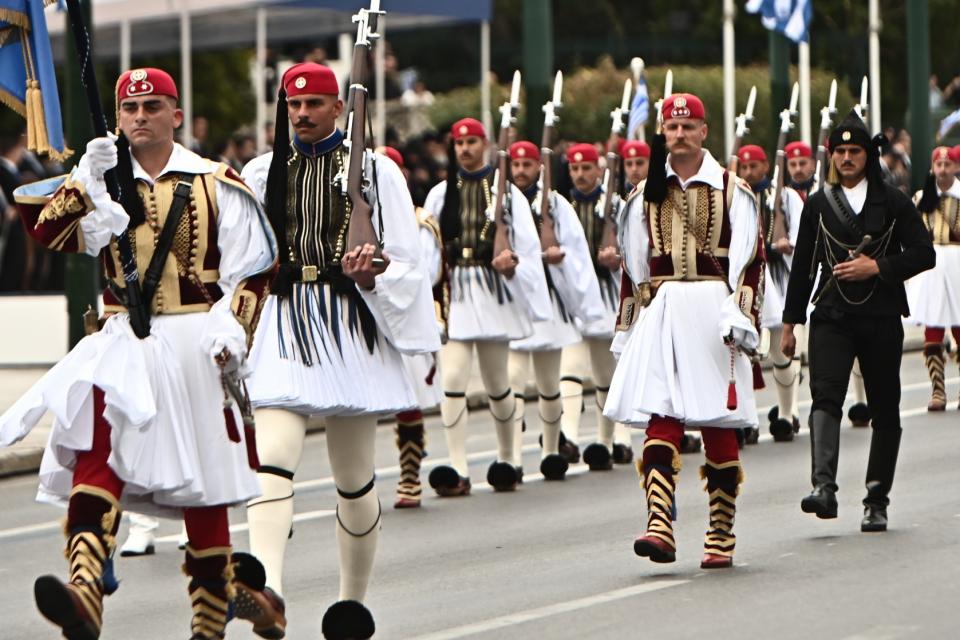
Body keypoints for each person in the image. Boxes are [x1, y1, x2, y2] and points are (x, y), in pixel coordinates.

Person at [0, 67, 281, 639]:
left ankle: (216, 615)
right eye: (129, 109)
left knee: (203, 484)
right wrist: (82, 180)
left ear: (176, 114)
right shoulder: (102, 181)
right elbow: (47, 235)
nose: (139, 117)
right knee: (97, 449)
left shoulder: (216, 181)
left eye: (152, 107)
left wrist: (233, 330)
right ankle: (84, 592)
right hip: (124, 339)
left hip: (195, 342)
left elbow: (254, 271)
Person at [241, 62, 439, 639]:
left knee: (352, 477)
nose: (301, 114)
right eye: (293, 105)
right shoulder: (260, 172)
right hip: (282, 318)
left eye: (314, 104)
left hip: (349, 321)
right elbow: (240, 256)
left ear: (339, 108)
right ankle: (268, 589)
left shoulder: (377, 174)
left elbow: (408, 260)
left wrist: (373, 272)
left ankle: (351, 602)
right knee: (271, 457)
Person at [605, 93, 764, 569]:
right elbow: (634, 267)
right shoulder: (643, 193)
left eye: (688, 127)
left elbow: (752, 260)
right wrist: (629, 325)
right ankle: (660, 523)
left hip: (714, 309)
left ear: (703, 131)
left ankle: (720, 530)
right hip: (667, 308)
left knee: (717, 420)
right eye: (671, 128)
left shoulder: (733, 190)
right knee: (662, 411)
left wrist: (741, 314)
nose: (678, 135)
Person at [781, 109, 935, 532]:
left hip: (881, 315)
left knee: (885, 409)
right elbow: (803, 268)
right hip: (832, 315)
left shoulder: (894, 201)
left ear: (869, 154)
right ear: (830, 156)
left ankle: (876, 499)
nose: (847, 158)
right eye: (840, 151)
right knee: (826, 395)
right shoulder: (817, 204)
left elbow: (925, 253)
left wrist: (878, 268)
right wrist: (790, 323)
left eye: (855, 151)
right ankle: (823, 488)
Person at [422, 117, 550, 495]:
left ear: (485, 143)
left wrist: (513, 266)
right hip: (458, 290)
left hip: (492, 290)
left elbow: (526, 247)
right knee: (453, 379)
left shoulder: (506, 192)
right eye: (459, 142)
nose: (464, 149)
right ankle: (457, 466)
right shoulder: (441, 194)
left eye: (471, 142)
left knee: (497, 382)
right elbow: (429, 247)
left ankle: (508, 457)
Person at [506, 140, 604, 480]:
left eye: (527, 165)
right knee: (512, 379)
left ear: (539, 168)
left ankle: (551, 450)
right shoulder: (501, 201)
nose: (520, 171)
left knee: (550, 382)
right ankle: (512, 457)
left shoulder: (556, 204)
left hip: (548, 297)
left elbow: (577, 249)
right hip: (515, 298)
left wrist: (559, 259)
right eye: (515, 165)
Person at [376, 144, 446, 509]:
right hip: (368, 317)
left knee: (410, 403)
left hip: (406, 316)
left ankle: (409, 473)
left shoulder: (419, 223)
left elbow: (426, 272)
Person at [560, 142, 636, 470]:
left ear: (599, 169)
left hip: (606, 294)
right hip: (573, 296)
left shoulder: (617, 205)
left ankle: (609, 439)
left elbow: (635, 247)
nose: (579, 175)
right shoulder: (560, 206)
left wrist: (617, 259)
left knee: (607, 372)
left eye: (586, 168)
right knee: (570, 368)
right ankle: (568, 436)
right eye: (574, 169)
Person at [736, 144, 805, 442]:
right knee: (742, 355)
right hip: (745, 280)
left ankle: (787, 415)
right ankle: (746, 419)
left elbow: (804, 234)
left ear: (766, 166)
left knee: (779, 350)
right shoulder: (736, 196)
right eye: (744, 168)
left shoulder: (785, 197)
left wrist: (787, 246)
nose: (749, 173)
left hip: (778, 279)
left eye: (754, 167)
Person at [909, 146, 960, 411]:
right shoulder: (921, 196)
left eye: (947, 165)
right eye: (937, 165)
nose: (942, 170)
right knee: (933, 329)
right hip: (930, 265)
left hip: (957, 264)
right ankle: (938, 390)